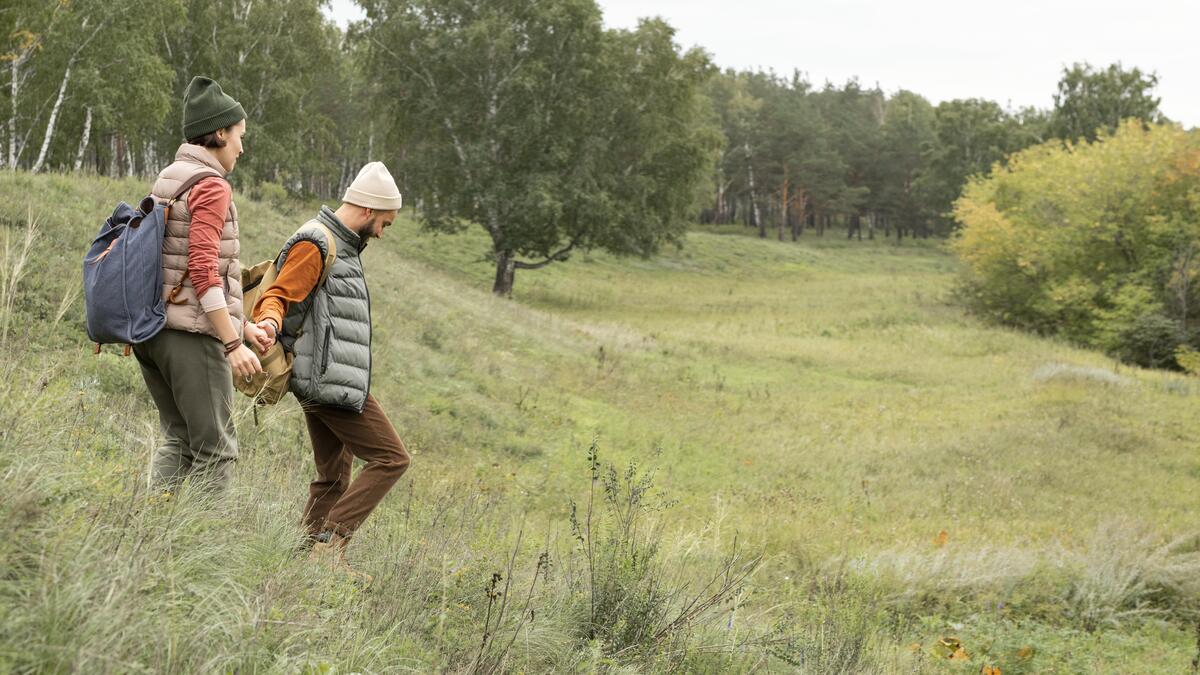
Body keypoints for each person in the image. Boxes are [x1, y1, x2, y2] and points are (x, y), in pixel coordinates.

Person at [252, 162, 411, 579]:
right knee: (392, 458)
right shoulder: (318, 243)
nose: (381, 233)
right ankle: (331, 547)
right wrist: (269, 323)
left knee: (333, 478)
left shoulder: (340, 244)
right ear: (366, 210)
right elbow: (278, 295)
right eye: (383, 223)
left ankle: (303, 562)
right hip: (327, 382)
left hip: (328, 378)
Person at [133, 76, 269, 494]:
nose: (242, 148)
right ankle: (207, 552)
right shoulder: (211, 186)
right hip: (192, 337)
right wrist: (232, 343)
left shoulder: (172, 175)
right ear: (220, 132)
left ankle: (151, 532)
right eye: (239, 136)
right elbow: (203, 270)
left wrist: (243, 324)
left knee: (180, 440)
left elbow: (177, 266)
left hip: (153, 331)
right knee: (216, 451)